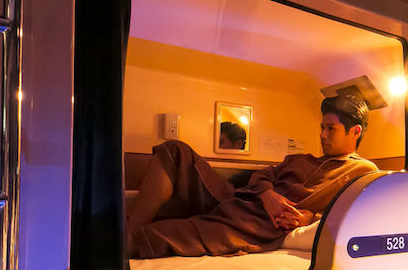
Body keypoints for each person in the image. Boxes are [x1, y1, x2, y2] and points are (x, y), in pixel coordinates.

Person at [127, 94, 377, 259]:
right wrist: (268, 195)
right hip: (235, 197)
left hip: (251, 224)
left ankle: (125, 241)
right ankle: (129, 227)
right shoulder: (300, 159)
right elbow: (261, 175)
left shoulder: (362, 171)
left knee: (150, 238)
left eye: (330, 128)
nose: (322, 135)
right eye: (322, 127)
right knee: (175, 151)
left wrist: (309, 217)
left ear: (355, 132)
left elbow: (351, 216)